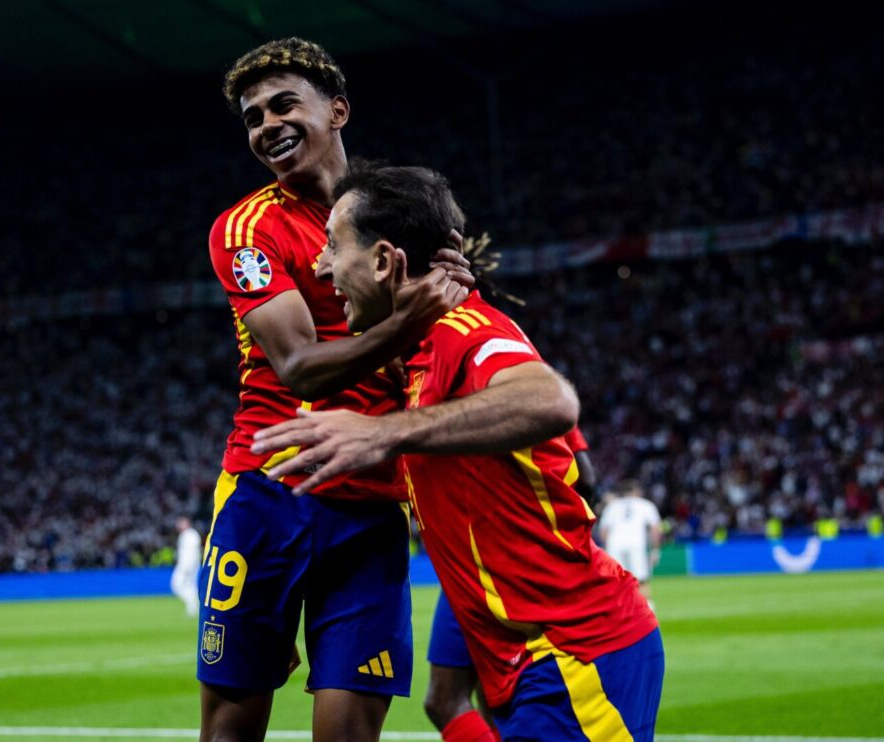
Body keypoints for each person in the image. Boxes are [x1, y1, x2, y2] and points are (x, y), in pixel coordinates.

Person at [254, 164, 664, 741]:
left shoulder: (465, 330)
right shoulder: (418, 352)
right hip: (523, 650)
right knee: (445, 700)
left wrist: (384, 433)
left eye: (332, 246)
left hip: (576, 656)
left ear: (383, 261)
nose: (321, 266)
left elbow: (550, 400)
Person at [202, 38, 470, 742]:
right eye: (254, 116)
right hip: (268, 493)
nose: (267, 124)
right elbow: (297, 365)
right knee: (232, 723)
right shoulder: (246, 228)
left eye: (284, 104)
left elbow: (455, 314)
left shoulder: (395, 214)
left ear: (338, 110)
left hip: (373, 506)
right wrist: (409, 320)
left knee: (349, 733)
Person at [423, 427, 597, 741]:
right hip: (477, 564)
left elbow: (585, 477)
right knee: (456, 699)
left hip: (498, 562)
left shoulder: (521, 391)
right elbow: (586, 479)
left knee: (464, 697)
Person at [598, 480, 662, 606]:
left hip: (614, 545)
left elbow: (604, 531)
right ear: (636, 491)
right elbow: (655, 529)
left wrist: (605, 550)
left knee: (616, 581)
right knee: (641, 580)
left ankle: (617, 612)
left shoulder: (613, 505)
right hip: (636, 544)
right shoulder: (645, 505)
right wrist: (655, 550)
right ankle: (647, 612)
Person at [171, 517, 202, 617]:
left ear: (187, 523)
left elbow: (191, 553)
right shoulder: (189, 535)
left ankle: (193, 605)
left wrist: (187, 567)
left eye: (181, 523)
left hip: (186, 565)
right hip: (189, 565)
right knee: (189, 586)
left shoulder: (190, 535)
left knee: (176, 585)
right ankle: (193, 606)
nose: (178, 526)